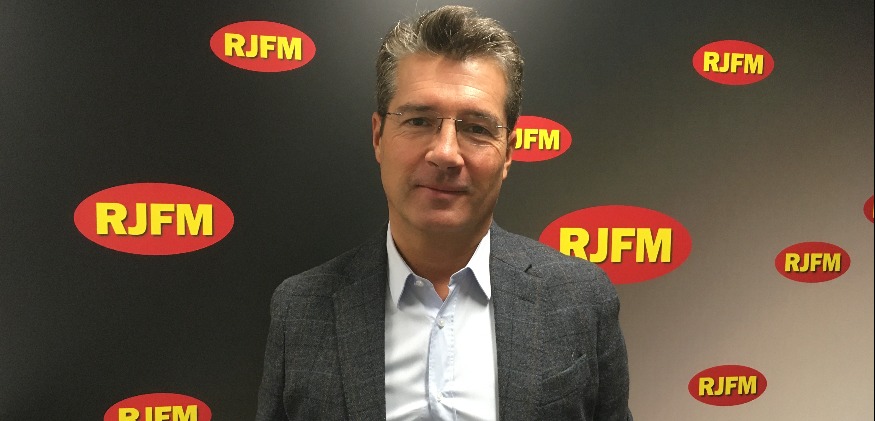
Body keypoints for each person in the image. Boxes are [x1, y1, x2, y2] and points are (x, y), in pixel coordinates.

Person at [256, 5, 631, 420]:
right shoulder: (301, 310)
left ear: (509, 151)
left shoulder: (581, 301)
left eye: (476, 128)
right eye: (419, 121)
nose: (446, 153)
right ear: (378, 136)